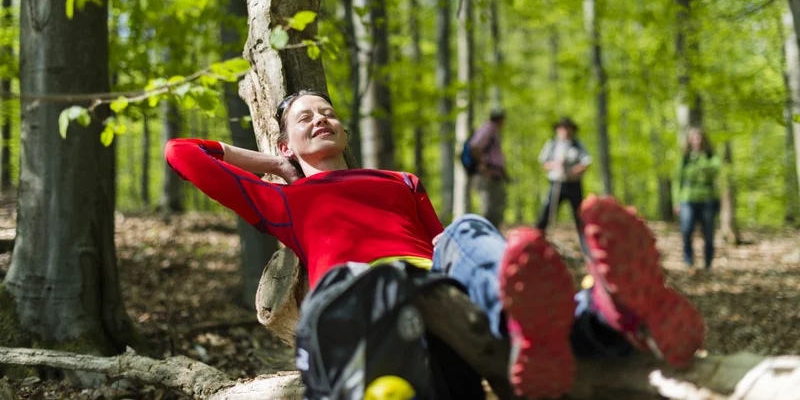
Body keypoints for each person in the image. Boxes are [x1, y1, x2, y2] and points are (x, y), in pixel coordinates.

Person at [165, 90, 704, 400]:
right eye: (304, 118)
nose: (320, 119)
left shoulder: (400, 180)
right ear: (288, 142)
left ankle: (598, 314)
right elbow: (182, 152)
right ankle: (601, 316)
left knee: (466, 229)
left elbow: (439, 238)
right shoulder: (285, 200)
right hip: (364, 291)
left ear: (344, 131)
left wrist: (454, 257)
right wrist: (272, 165)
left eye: (326, 112)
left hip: (432, 272)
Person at [673, 127, 721, 272]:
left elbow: (716, 169)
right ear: (689, 140)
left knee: (708, 232)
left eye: (699, 138)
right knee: (687, 229)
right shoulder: (685, 158)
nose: (697, 141)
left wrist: (702, 161)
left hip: (708, 199)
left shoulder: (711, 156)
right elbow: (677, 179)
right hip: (687, 199)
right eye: (693, 138)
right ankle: (689, 261)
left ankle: (708, 263)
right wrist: (676, 201)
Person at [536, 117, 592, 235]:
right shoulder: (552, 144)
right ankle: (537, 238)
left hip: (574, 184)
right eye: (562, 128)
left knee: (580, 216)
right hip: (556, 183)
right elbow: (544, 163)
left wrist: (573, 171)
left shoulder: (577, 144)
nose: (565, 131)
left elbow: (586, 162)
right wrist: (555, 164)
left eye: (568, 128)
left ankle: (587, 244)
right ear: (558, 130)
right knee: (547, 213)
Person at [469, 109, 508, 227]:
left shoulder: (492, 130)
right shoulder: (488, 129)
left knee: (496, 205)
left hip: (495, 174)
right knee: (489, 207)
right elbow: (475, 147)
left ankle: (493, 232)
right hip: (488, 174)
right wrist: (484, 167)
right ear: (500, 120)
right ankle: (486, 233)